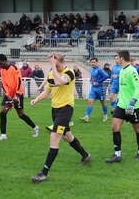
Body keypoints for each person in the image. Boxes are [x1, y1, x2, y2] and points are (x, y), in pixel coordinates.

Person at [30, 53, 91, 183]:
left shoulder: (69, 72)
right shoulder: (51, 74)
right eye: (50, 62)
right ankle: (85, 155)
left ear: (60, 61)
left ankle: (44, 173)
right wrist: (36, 99)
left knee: (54, 137)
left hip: (65, 109)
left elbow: (60, 81)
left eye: (54, 61)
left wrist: (53, 66)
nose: (51, 64)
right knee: (67, 136)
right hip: (55, 109)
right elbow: (47, 91)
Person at [106, 51, 139, 163]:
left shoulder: (132, 70)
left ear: (122, 58)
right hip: (121, 105)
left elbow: (138, 88)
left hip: (132, 106)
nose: (116, 59)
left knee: (137, 128)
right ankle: (117, 155)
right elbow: (122, 88)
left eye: (117, 57)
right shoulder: (121, 70)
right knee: (115, 127)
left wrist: (132, 102)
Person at [0, 54, 39, 142]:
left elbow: (19, 82)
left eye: (0, 63)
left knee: (21, 115)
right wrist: (7, 94)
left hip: (18, 94)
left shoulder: (14, 68)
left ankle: (35, 127)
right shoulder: (2, 70)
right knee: (2, 112)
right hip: (8, 95)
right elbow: (3, 83)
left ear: (5, 61)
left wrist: (16, 95)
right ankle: (3, 135)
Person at [80, 58, 109, 123]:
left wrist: (99, 81)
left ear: (97, 62)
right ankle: (86, 116)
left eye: (94, 62)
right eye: (91, 62)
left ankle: (105, 115)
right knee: (90, 101)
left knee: (103, 103)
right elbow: (92, 77)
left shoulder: (99, 70)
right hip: (93, 88)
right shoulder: (92, 69)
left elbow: (106, 76)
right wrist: (91, 81)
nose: (92, 63)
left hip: (100, 89)